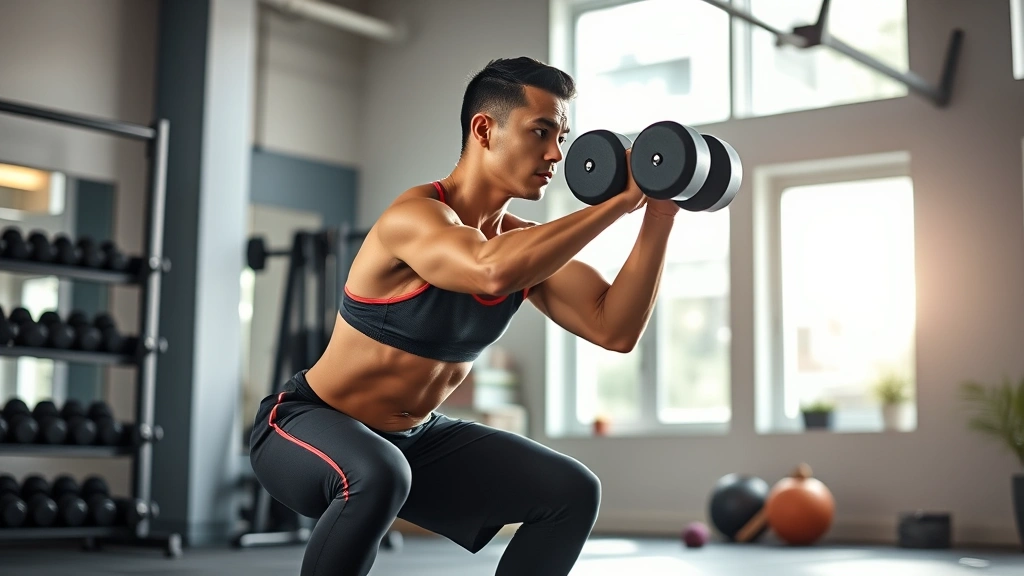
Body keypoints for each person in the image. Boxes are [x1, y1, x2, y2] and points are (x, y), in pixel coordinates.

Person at [248, 56, 681, 576]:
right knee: (380, 473)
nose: (556, 154)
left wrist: (658, 211)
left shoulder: (524, 247)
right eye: (542, 132)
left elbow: (615, 329)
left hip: (413, 442)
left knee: (571, 491)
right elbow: (488, 271)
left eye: (563, 136)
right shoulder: (413, 217)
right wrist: (615, 204)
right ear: (484, 129)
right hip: (304, 426)